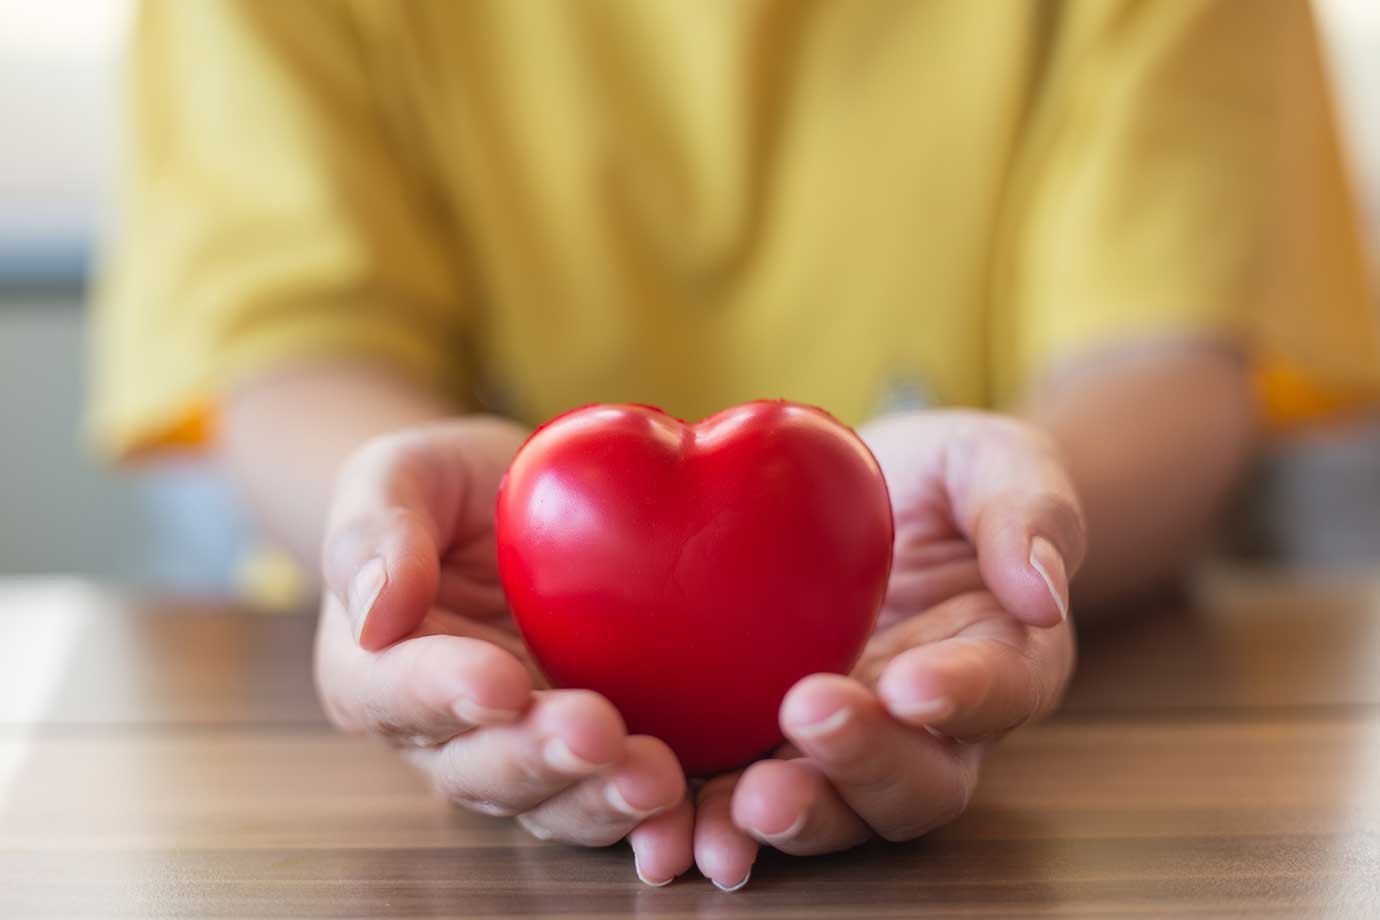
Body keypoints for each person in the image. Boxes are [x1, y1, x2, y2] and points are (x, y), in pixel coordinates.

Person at [92, 0, 1377, 892]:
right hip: (361, 790)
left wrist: (1005, 531)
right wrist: (399, 546)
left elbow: (1169, 351)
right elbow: (288, 345)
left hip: (1090, 752)